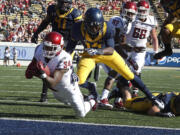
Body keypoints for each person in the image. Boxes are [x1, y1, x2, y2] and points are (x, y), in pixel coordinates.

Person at [66, 8, 165, 110]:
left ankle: (152, 97)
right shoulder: (77, 28)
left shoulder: (107, 27)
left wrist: (98, 51)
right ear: (86, 23)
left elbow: (111, 49)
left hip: (106, 53)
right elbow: (70, 47)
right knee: (78, 81)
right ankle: (91, 87)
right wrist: (66, 59)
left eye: (97, 26)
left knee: (129, 75)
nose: (95, 29)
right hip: (89, 56)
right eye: (92, 26)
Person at [25, 32, 97, 118]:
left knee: (81, 114)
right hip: (55, 91)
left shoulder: (64, 58)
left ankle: (92, 101)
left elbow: (54, 82)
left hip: (70, 89)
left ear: (60, 48)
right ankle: (84, 97)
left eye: (51, 48)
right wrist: (31, 70)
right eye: (46, 47)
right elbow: (33, 65)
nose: (47, 50)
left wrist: (42, 73)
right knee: (64, 101)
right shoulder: (39, 49)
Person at [31, 0, 82, 102]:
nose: (63, 5)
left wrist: (76, 43)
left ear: (69, 3)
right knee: (46, 66)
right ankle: (44, 95)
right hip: (53, 40)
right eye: (61, 2)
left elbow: (79, 29)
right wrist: (36, 33)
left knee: (66, 68)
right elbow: (46, 22)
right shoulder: (52, 9)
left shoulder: (75, 13)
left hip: (68, 41)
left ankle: (71, 93)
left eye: (65, 3)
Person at [99, 1, 140, 109]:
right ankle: (103, 98)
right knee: (115, 73)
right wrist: (128, 58)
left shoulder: (128, 24)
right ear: (122, 11)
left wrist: (132, 49)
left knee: (122, 76)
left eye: (132, 14)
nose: (130, 16)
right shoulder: (117, 20)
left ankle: (117, 100)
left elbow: (121, 43)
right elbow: (115, 45)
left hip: (112, 50)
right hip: (106, 49)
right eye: (128, 13)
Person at [108, 82, 180, 117]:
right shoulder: (165, 102)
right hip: (149, 102)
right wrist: (162, 114)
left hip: (159, 97)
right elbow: (152, 111)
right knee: (127, 103)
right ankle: (122, 87)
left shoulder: (176, 99)